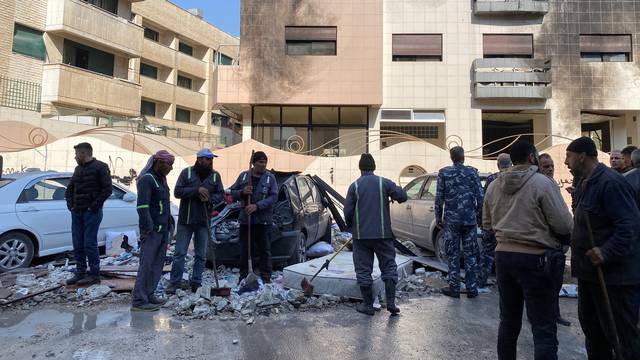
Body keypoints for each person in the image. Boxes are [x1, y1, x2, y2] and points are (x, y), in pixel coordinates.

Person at [484, 141, 573, 360]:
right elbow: (564, 224)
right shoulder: (542, 183)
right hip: (536, 259)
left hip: (503, 257)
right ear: (532, 158)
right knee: (543, 326)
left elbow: (486, 224)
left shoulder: (494, 185)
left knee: (508, 321)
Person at [564, 136, 640, 360]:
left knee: (621, 337)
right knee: (594, 334)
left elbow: (630, 226)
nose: (566, 162)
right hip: (590, 277)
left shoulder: (611, 183)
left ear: (582, 156)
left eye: (568, 157)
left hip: (614, 279)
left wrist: (605, 251)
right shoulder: (584, 182)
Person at [344, 154, 407, 315]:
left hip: (361, 236)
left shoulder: (355, 186)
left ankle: (368, 305)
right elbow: (402, 196)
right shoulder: (383, 182)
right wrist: (392, 196)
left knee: (363, 270)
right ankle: (391, 303)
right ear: (374, 167)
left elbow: (348, 211)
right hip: (383, 235)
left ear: (360, 168)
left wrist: (351, 225)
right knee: (388, 267)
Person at [167, 149, 224, 294]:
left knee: (201, 255)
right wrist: (196, 190)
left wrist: (210, 199)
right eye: (207, 159)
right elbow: (177, 192)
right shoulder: (187, 173)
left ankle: (196, 283)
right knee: (180, 253)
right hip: (186, 220)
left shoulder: (215, 176)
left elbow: (220, 195)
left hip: (204, 221)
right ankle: (174, 284)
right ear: (199, 160)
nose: (211, 161)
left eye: (211, 159)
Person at [435, 146, 483, 299]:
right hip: (469, 220)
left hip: (451, 221)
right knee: (471, 255)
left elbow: (439, 197)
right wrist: (477, 214)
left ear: (451, 157)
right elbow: (481, 197)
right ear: (464, 157)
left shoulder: (444, 173)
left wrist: (438, 217)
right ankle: (472, 289)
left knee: (453, 254)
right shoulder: (472, 173)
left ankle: (454, 289)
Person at [131, 150, 175, 312]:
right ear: (158, 162)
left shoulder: (161, 179)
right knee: (147, 264)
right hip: (152, 231)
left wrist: (169, 225)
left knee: (156, 265)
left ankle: (149, 294)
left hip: (162, 229)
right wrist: (148, 227)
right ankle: (139, 300)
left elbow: (164, 204)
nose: (170, 168)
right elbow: (142, 207)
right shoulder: (147, 180)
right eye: (168, 164)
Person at [64, 142, 112, 286]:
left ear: (84, 153)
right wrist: (70, 204)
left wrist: (93, 207)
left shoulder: (101, 167)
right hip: (77, 212)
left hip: (92, 213)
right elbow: (70, 188)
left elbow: (107, 189)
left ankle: (94, 274)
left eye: (77, 154)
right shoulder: (78, 169)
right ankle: (80, 272)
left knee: (89, 243)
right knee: (77, 243)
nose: (75, 157)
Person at [228, 151, 278, 284]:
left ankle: (266, 277)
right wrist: (242, 192)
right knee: (245, 250)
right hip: (246, 220)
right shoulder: (244, 176)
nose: (263, 165)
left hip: (263, 221)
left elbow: (273, 197)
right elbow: (231, 193)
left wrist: (257, 206)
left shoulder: (270, 178)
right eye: (260, 162)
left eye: (265, 162)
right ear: (253, 163)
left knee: (265, 250)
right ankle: (244, 276)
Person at [538, 153, 572, 327]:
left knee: (556, 283)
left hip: (556, 245)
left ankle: (554, 314)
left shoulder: (552, 185)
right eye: (546, 166)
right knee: (544, 285)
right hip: (545, 245)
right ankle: (543, 316)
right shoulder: (539, 186)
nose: (550, 169)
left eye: (551, 165)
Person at [479, 153, 511, 288]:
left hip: (493, 223)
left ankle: (481, 281)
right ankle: (504, 282)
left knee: (487, 254)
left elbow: (484, 202)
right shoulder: (518, 179)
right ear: (510, 164)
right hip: (510, 224)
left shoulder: (492, 179)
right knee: (507, 254)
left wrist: (484, 223)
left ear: (498, 165)